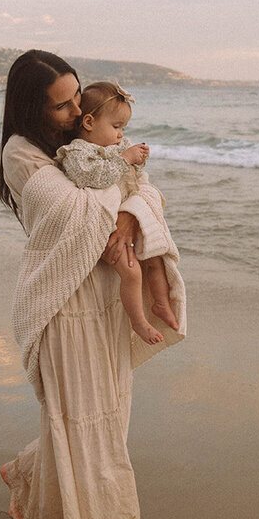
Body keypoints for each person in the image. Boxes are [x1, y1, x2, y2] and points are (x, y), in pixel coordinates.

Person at [0, 50, 186, 519]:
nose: (76, 110)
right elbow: (77, 215)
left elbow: (147, 190)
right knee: (90, 423)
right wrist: (124, 197)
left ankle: (24, 472)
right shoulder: (22, 154)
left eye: (78, 96)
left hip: (105, 294)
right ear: (33, 109)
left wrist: (128, 215)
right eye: (60, 106)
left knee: (107, 414)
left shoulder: (83, 143)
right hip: (65, 302)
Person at [55, 81, 180, 346]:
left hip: (125, 214)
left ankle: (160, 303)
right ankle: (138, 321)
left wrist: (138, 155)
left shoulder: (111, 146)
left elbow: (132, 171)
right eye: (116, 127)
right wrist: (125, 159)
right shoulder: (78, 152)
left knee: (155, 256)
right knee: (132, 272)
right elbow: (93, 178)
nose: (121, 135)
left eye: (124, 128)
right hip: (103, 224)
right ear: (88, 122)